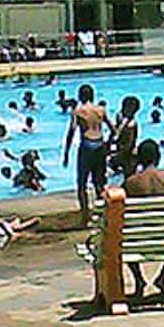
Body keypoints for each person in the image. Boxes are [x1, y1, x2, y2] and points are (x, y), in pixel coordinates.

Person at [122, 139, 164, 299]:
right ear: (158, 157)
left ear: (139, 159)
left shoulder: (131, 183)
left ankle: (139, 280)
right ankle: (162, 278)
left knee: (122, 238)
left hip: (139, 242)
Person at [62, 84, 112, 224]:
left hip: (87, 146)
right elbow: (113, 129)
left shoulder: (78, 111)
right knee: (99, 184)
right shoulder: (101, 110)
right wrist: (108, 144)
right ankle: (103, 213)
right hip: (100, 144)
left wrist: (66, 152)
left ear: (80, 96)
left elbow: (71, 131)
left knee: (82, 183)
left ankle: (85, 216)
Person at [109, 96, 141, 179]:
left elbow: (129, 144)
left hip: (127, 155)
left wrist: (117, 157)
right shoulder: (122, 120)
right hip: (121, 152)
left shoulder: (131, 125)